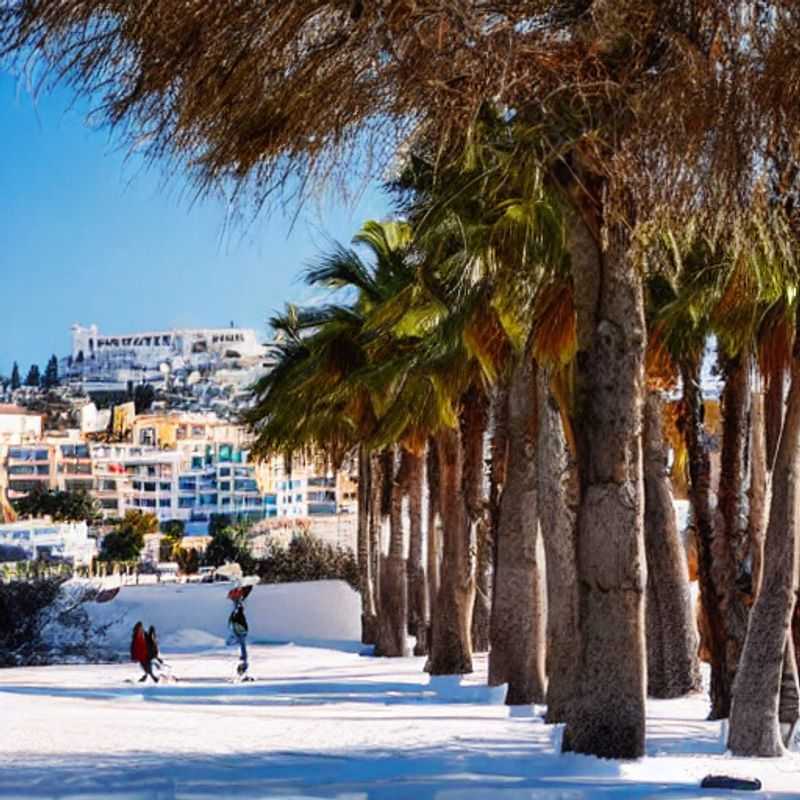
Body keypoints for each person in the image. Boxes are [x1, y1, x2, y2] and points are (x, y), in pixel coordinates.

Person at [228, 600, 249, 675]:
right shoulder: (239, 615)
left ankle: (243, 657)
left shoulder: (238, 615)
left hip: (239, 631)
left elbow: (233, 620)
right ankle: (243, 657)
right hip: (240, 631)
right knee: (242, 645)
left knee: (242, 644)